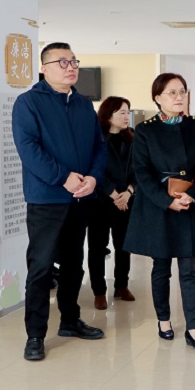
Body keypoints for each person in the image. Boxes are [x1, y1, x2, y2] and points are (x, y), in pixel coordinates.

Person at [12, 42, 107, 361]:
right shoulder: (28, 103)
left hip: (80, 198)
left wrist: (93, 179)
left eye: (74, 61)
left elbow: (99, 147)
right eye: (62, 62)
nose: (71, 67)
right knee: (41, 268)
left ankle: (70, 320)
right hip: (47, 199)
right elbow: (28, 148)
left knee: (73, 264)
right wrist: (63, 177)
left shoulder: (83, 104)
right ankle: (35, 334)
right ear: (44, 68)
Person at [123, 73, 195, 351]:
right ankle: (163, 321)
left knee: (189, 268)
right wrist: (167, 201)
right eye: (172, 93)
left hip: (190, 202)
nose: (179, 97)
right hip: (159, 206)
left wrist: (193, 194)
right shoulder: (145, 130)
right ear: (158, 98)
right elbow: (141, 172)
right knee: (161, 267)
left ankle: (193, 328)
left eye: (182, 92)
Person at [87, 96, 137, 310]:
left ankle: (121, 286)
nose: (127, 116)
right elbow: (93, 170)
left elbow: (140, 170)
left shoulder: (132, 139)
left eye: (128, 112)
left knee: (124, 246)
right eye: (122, 112)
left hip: (126, 201)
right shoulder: (96, 140)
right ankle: (99, 291)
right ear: (109, 116)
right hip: (100, 201)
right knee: (97, 248)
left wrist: (129, 192)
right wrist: (113, 194)